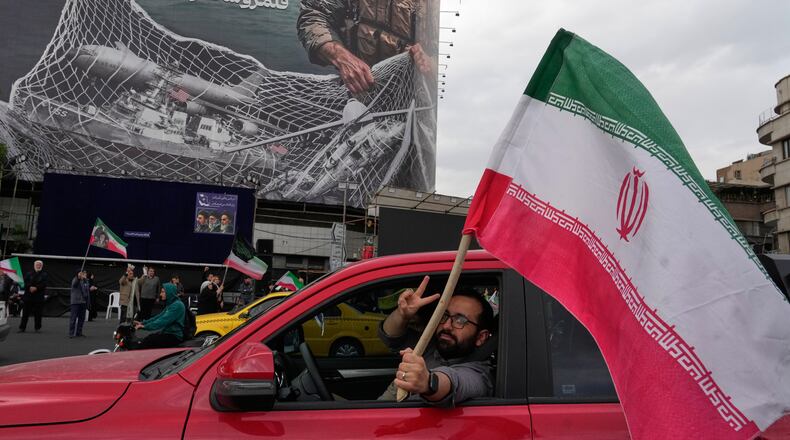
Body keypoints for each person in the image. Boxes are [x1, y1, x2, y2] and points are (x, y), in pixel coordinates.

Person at [377, 277, 495, 406]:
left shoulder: (480, 374)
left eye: (460, 320)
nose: (446, 326)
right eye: (444, 315)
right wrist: (402, 315)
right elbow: (390, 336)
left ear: (481, 337)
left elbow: (455, 383)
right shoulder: (429, 345)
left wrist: (428, 382)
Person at [297, 0, 436, 93]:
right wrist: (340, 56)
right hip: (357, 93)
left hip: (416, 99)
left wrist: (434, 65)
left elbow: (453, 55)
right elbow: (314, 16)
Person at [132, 283, 185, 349]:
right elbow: (158, 317)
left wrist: (145, 326)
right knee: (148, 339)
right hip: (167, 332)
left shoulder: (177, 305)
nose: (160, 294)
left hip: (174, 336)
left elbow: (163, 321)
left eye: (163, 292)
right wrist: (143, 323)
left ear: (169, 292)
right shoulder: (171, 304)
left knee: (149, 341)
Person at [18, 260, 48, 333]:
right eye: (37, 264)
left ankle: (37, 328)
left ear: (42, 266)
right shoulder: (29, 274)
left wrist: (36, 288)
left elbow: (44, 284)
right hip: (28, 296)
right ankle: (22, 327)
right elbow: (24, 283)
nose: (38, 266)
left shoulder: (44, 274)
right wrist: (30, 287)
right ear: (34, 265)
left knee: (38, 313)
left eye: (40, 265)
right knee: (25, 313)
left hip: (39, 296)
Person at [69, 270, 90, 338]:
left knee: (82, 318)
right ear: (79, 274)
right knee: (73, 318)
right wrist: (78, 278)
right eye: (83, 273)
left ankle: (79, 332)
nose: (84, 274)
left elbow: (87, 292)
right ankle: (71, 333)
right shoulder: (75, 279)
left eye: (85, 273)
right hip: (75, 302)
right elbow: (74, 284)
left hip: (83, 302)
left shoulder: (86, 281)